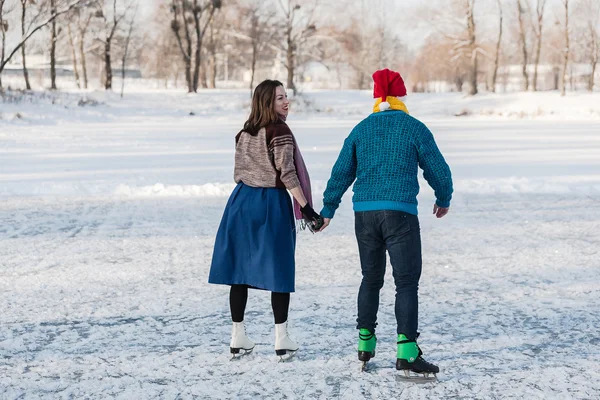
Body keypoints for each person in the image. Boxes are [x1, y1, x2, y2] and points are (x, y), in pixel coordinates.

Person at [318, 69, 453, 377]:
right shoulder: (414, 128)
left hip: (364, 214)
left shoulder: (361, 129)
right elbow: (439, 170)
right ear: (401, 98)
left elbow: (341, 172)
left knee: (371, 278)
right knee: (405, 282)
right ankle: (406, 351)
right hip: (400, 213)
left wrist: (328, 208)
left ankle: (365, 343)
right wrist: (443, 198)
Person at [208, 79, 323, 359]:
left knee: (239, 269)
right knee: (279, 267)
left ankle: (238, 335)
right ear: (266, 103)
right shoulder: (279, 130)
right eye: (279, 98)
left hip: (240, 202)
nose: (286, 102)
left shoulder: (244, 133)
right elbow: (287, 174)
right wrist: (307, 209)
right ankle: (281, 338)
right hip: (270, 202)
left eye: (286, 96)